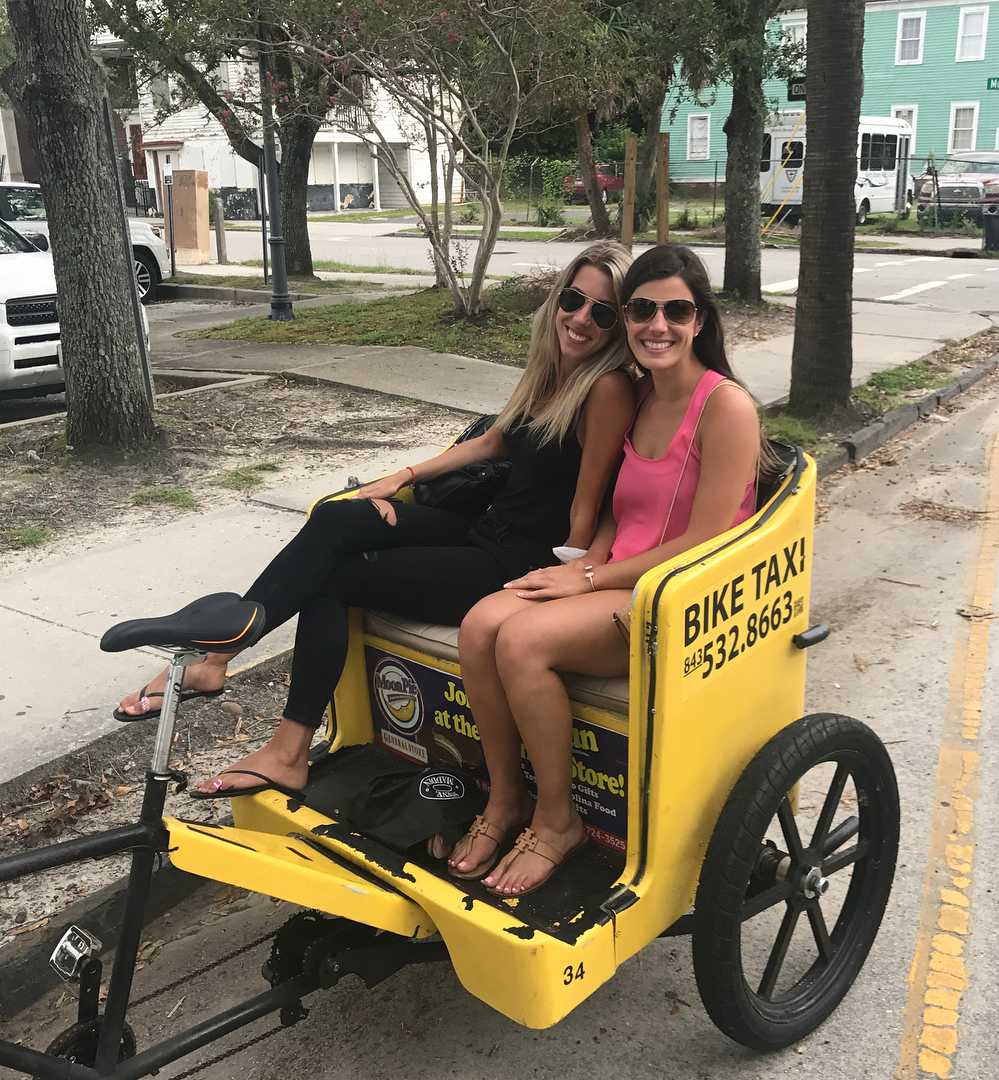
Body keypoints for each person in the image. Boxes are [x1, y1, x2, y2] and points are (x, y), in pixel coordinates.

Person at [115, 242, 637, 800]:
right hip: (483, 526)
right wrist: (399, 478)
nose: (581, 319)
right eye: (574, 299)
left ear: (618, 325)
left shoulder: (605, 388)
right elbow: (491, 441)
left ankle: (276, 737)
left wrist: (573, 577)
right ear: (558, 297)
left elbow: (593, 502)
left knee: (336, 582)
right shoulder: (552, 368)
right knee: (338, 520)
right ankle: (219, 658)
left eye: (602, 312)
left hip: (512, 565)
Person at [447, 244, 768, 895]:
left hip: (676, 597)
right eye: (642, 310)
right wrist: (590, 558)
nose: (658, 325)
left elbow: (703, 540)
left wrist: (590, 579)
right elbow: (624, 509)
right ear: (625, 320)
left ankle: (558, 820)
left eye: (676, 311)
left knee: (523, 638)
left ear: (700, 320)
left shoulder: (725, 408)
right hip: (622, 580)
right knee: (480, 624)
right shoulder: (642, 396)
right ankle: (505, 800)